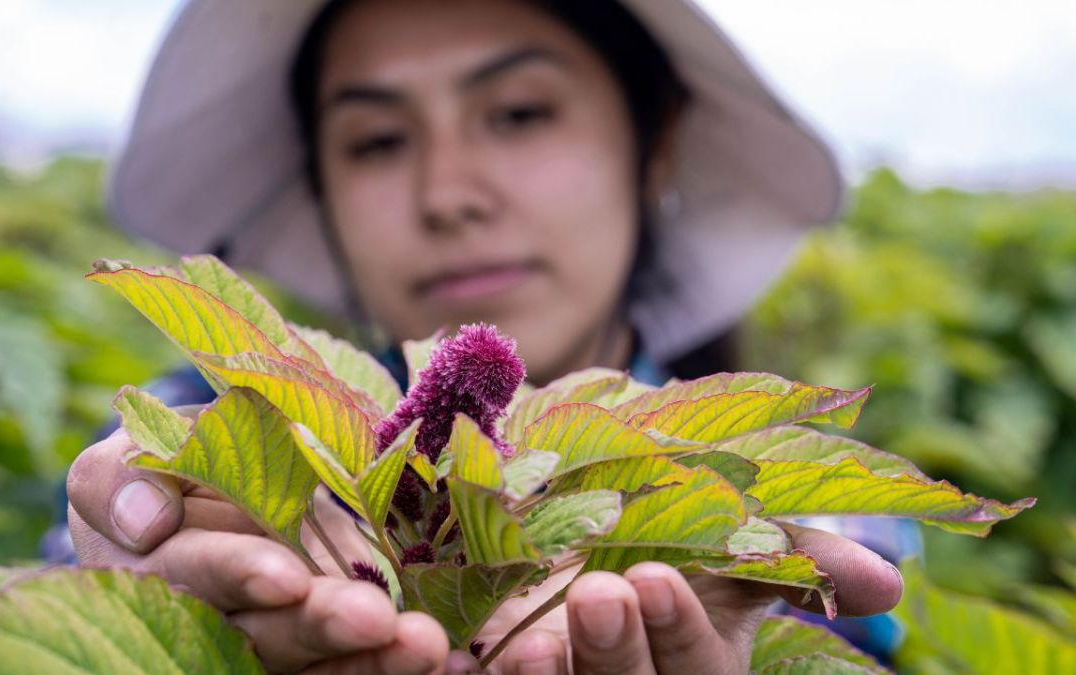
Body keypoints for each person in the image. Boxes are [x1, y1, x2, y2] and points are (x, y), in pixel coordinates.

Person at [66, 0, 907, 672]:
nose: (447, 193)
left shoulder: (777, 488)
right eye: (380, 139)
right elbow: (85, 547)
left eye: (518, 112)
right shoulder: (215, 419)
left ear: (658, 144)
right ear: (323, 191)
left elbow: (857, 602)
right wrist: (144, 606)